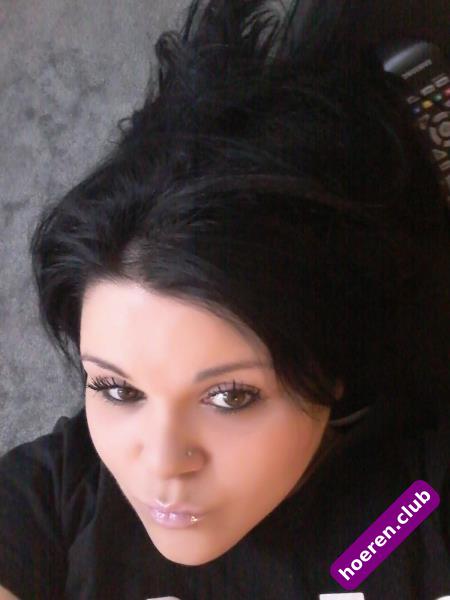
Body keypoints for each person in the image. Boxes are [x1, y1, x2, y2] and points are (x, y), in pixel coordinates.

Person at [1, 1, 449, 598]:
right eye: (116, 388)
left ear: (334, 366)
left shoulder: (423, 492)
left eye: (230, 396)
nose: (162, 463)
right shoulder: (54, 496)